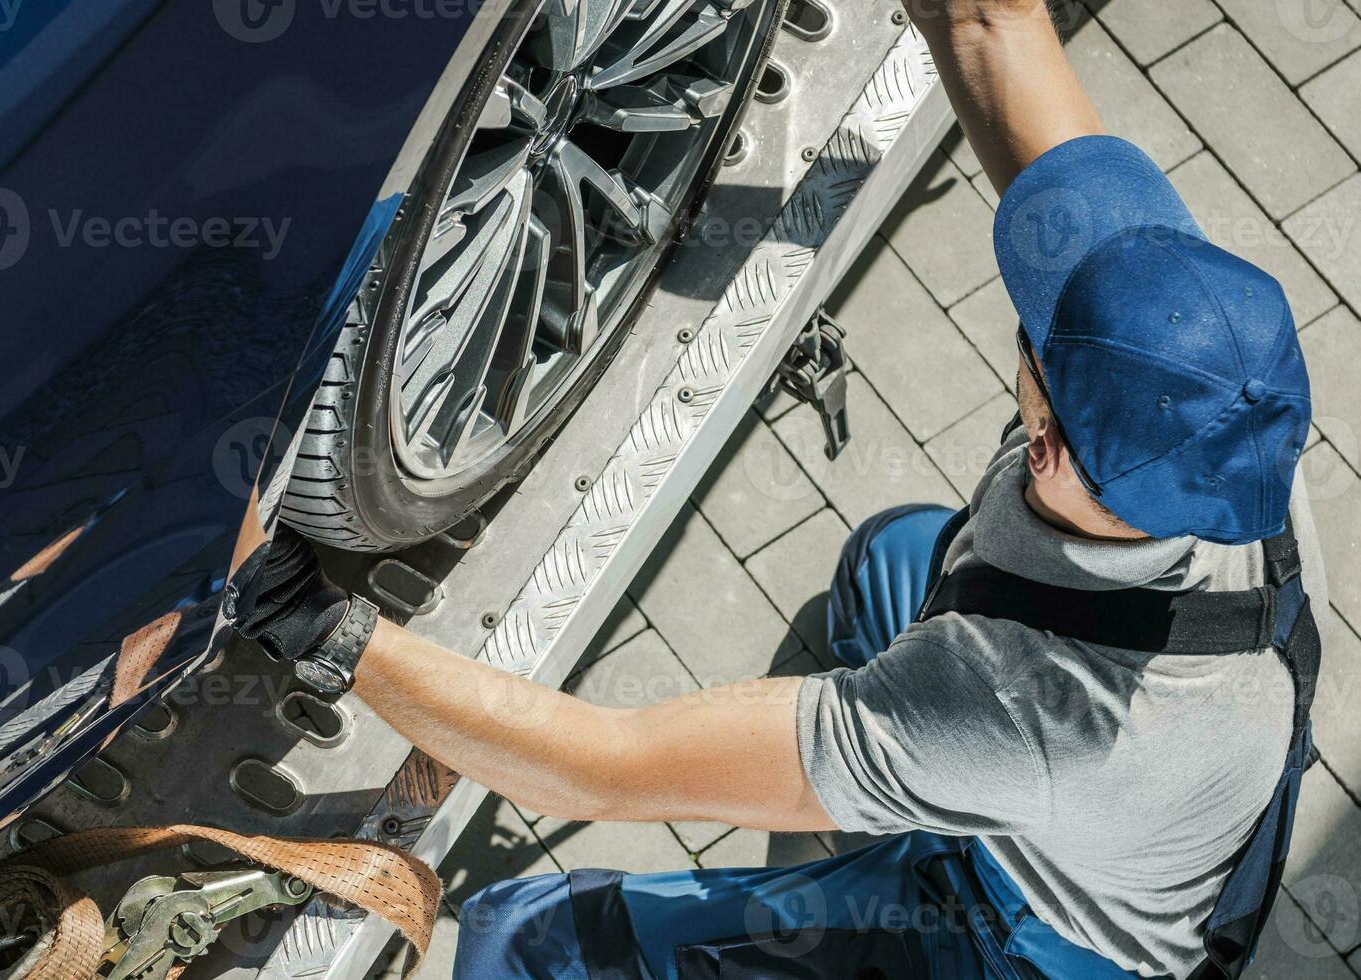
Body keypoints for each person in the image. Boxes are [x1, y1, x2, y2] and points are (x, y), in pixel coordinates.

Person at [237, 1, 1326, 976]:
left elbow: (605, 768)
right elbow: (991, 22)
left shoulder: (1013, 708)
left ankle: (908, 868)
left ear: (1046, 439)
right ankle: (905, 803)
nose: (1044, 286)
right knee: (891, 561)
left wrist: (306, 612)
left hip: (1034, 941)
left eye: (1037, 329)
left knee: (525, 940)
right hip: (1139, 785)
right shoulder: (1207, 376)